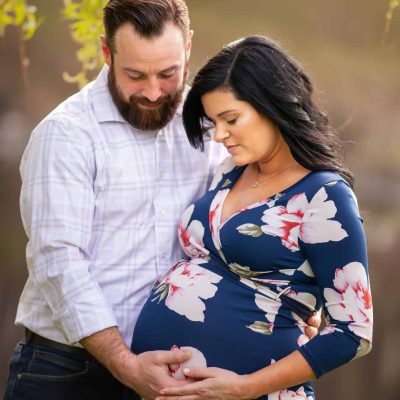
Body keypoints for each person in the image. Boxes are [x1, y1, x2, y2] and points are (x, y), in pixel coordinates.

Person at [3, 2, 319, 400]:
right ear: (106, 53)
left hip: (175, 376)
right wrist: (127, 366)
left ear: (188, 46)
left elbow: (246, 228)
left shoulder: (212, 131)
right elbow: (58, 263)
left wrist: (300, 302)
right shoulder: (66, 136)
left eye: (167, 74)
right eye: (134, 75)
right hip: (68, 372)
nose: (153, 92)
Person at [129, 35, 373, 399]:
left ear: (272, 105)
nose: (220, 135)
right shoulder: (230, 171)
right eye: (214, 122)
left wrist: (243, 388)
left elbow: (354, 332)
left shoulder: (325, 195)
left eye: (230, 119)